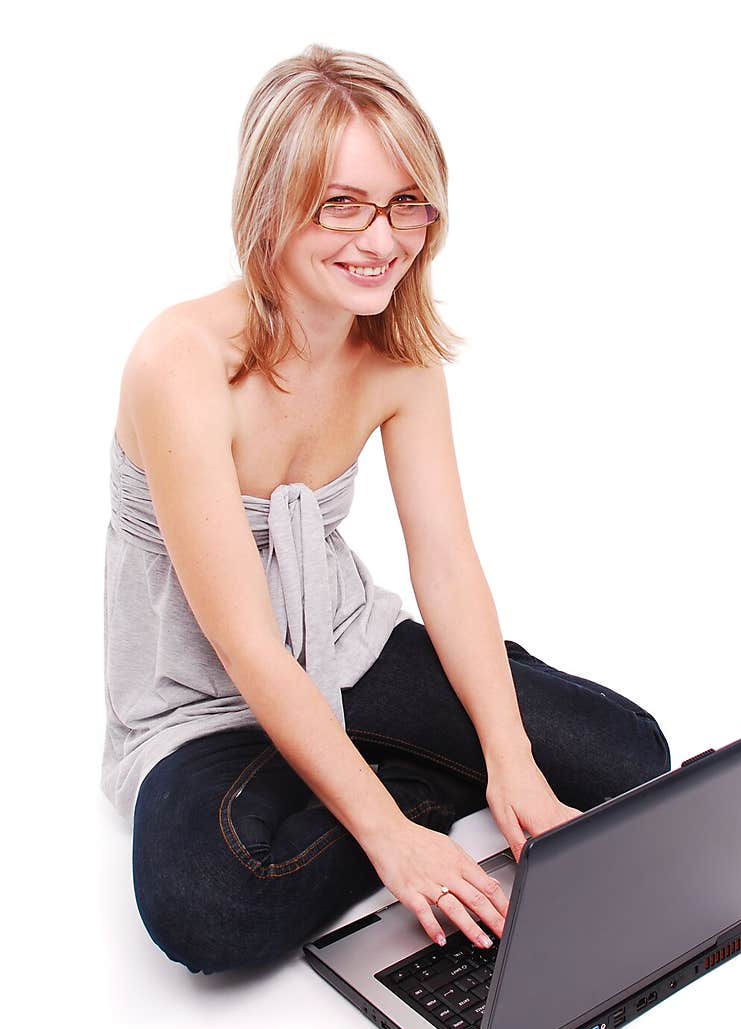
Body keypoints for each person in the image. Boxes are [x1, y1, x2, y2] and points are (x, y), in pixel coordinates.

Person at [102, 44, 671, 975]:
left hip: (345, 645)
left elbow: (445, 567)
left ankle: (394, 770)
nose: (382, 238)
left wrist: (511, 755)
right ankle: (404, 792)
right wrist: (392, 838)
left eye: (407, 202)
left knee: (631, 762)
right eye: (343, 203)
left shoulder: (399, 358)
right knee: (207, 904)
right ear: (269, 205)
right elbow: (245, 647)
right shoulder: (181, 363)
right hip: (205, 703)